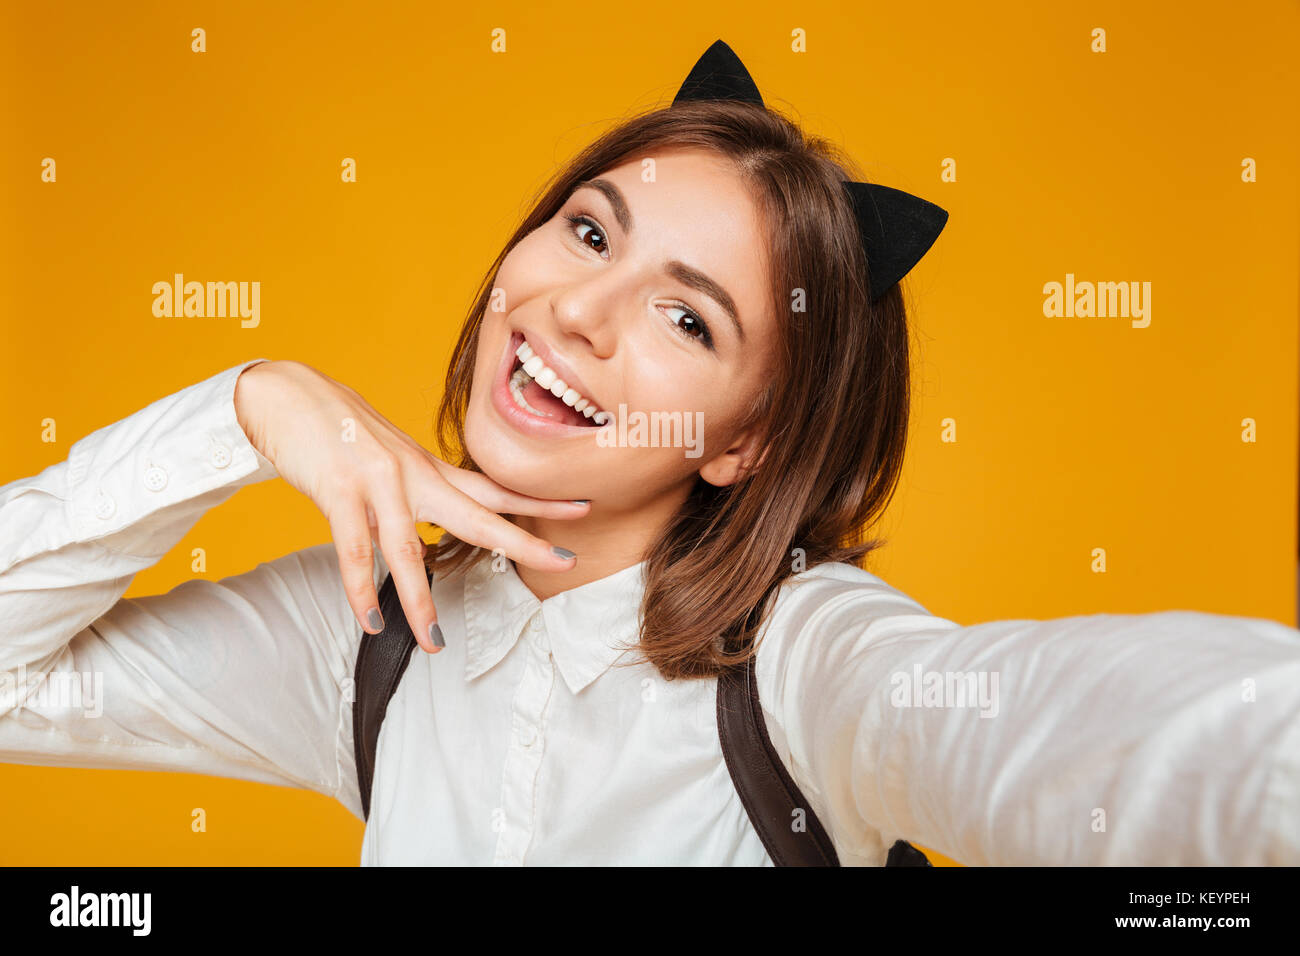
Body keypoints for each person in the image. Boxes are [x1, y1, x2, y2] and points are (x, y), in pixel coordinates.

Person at [3, 43, 1299, 866]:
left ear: (747, 440)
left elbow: (1077, 732)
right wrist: (249, 403)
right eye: (586, 232)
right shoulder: (378, 638)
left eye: (687, 316)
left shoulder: (803, 671)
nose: (575, 312)